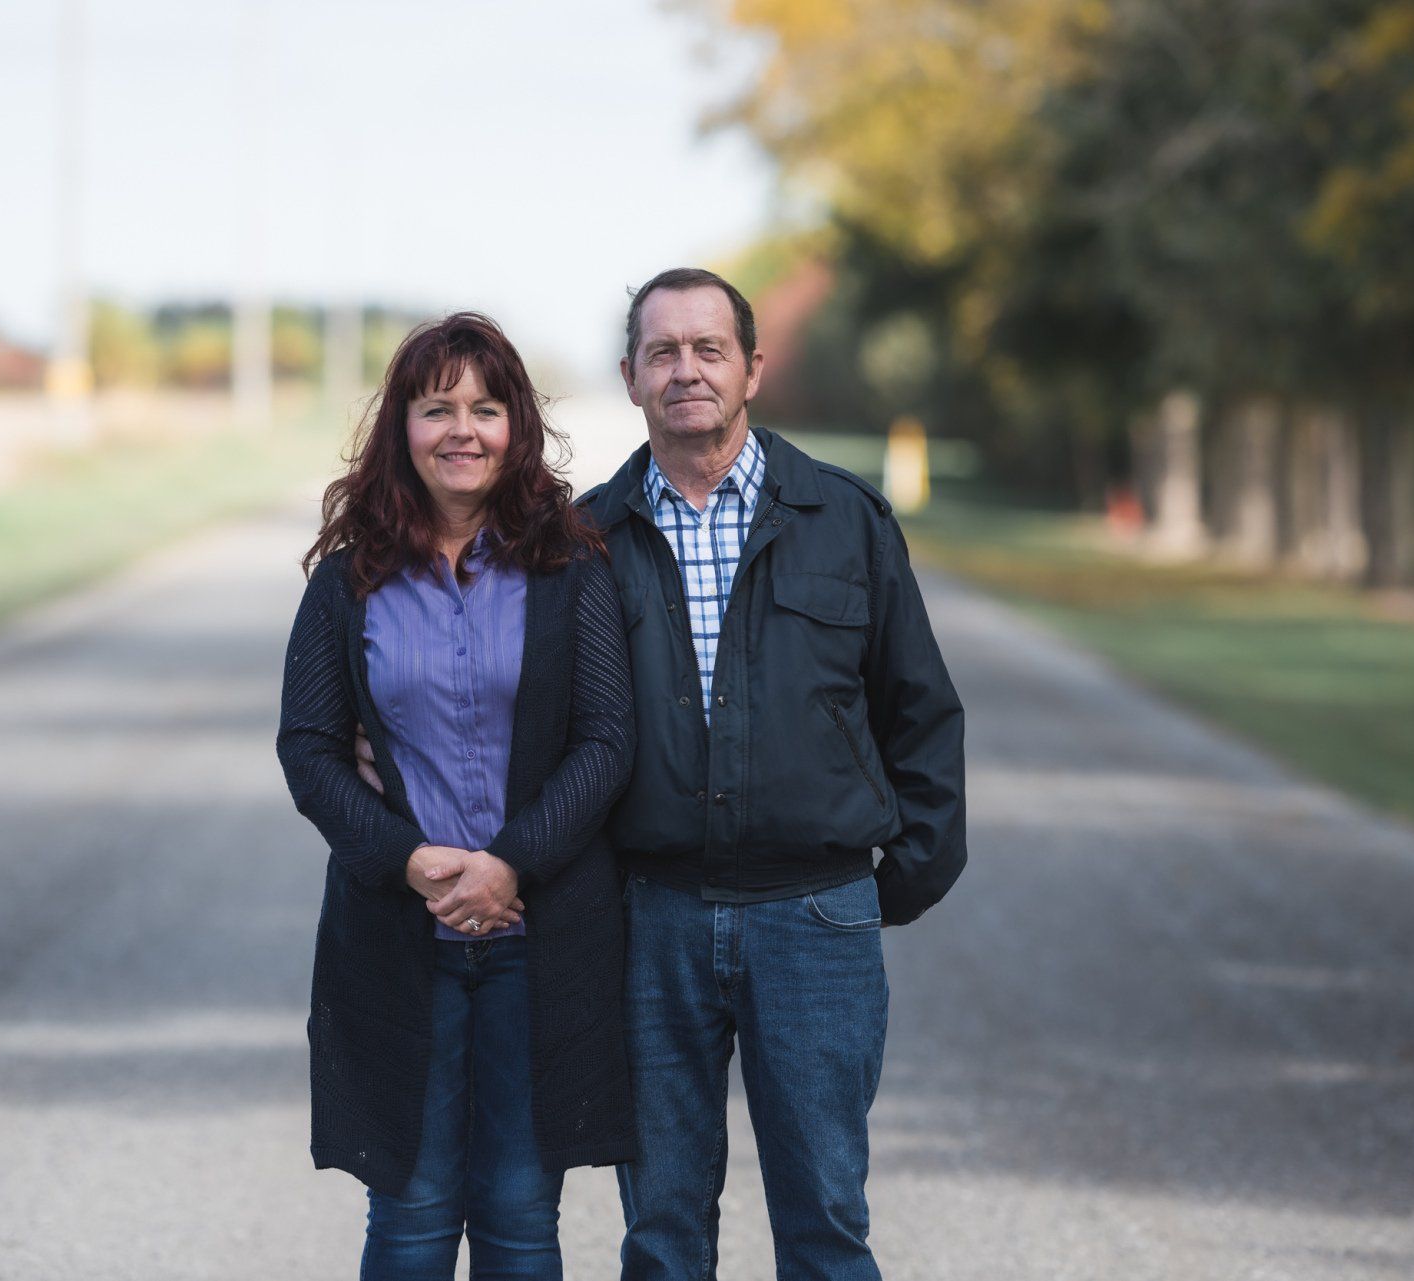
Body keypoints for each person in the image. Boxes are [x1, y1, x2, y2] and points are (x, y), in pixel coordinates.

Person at [583, 268, 967, 1279]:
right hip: (649, 922)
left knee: (826, 1222)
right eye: (663, 352)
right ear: (630, 376)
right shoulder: (584, 540)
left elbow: (921, 710)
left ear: (752, 368)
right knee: (661, 1234)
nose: (687, 370)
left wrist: (892, 883)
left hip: (815, 919)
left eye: (709, 348)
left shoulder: (845, 517)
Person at [276, 312, 637, 1279]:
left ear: (516, 424)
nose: (462, 430)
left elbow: (608, 741)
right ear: (401, 426)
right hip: (399, 937)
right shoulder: (348, 580)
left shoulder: (571, 567)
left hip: (541, 939)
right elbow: (308, 749)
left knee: (519, 1217)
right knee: (411, 1215)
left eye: (485, 407)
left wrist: (509, 863)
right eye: (437, 408)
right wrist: (407, 859)